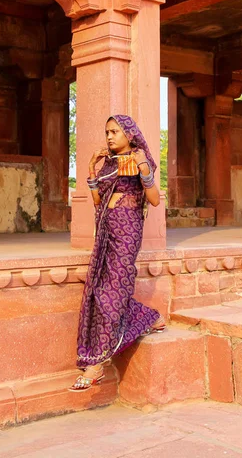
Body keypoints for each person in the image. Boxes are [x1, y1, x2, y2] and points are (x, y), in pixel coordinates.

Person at [69, 114, 166, 392]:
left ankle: (96, 365)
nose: (109, 137)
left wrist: (144, 169)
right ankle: (150, 318)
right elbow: (98, 201)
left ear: (129, 134)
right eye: (107, 132)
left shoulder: (138, 157)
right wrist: (90, 167)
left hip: (127, 230)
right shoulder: (108, 163)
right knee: (99, 290)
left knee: (112, 291)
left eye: (115, 132)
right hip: (107, 228)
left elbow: (155, 199)